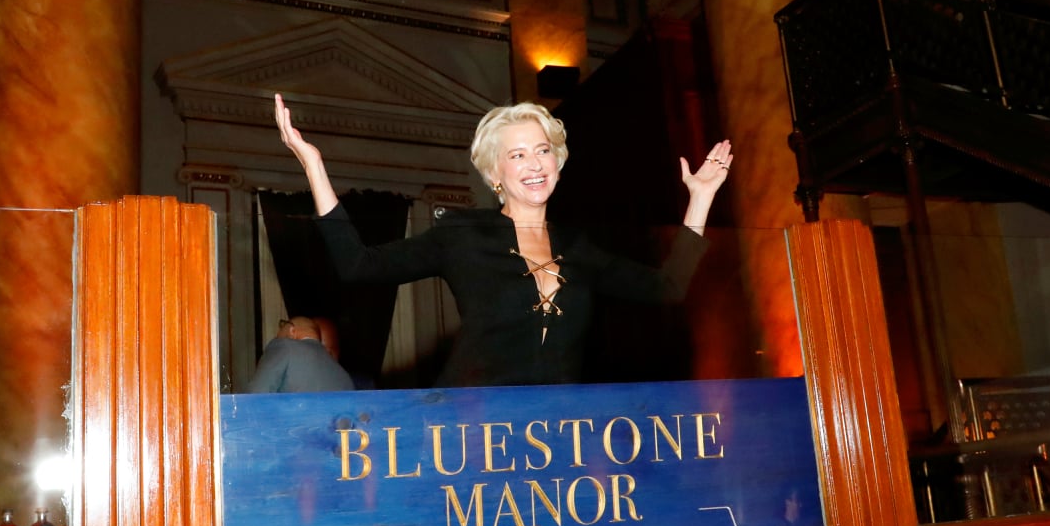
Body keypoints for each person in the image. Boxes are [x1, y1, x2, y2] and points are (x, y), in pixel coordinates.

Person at [273, 94, 732, 387]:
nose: (534, 164)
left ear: (558, 161)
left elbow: (668, 287)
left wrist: (701, 197)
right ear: (496, 173)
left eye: (543, 150)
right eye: (517, 154)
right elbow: (358, 264)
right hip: (474, 432)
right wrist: (313, 166)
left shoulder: (578, 246)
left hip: (557, 433)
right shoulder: (463, 234)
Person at [247, 316, 355, 393]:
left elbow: (256, 395)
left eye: (281, 328)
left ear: (292, 331)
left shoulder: (284, 346)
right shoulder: (345, 377)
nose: (277, 335)